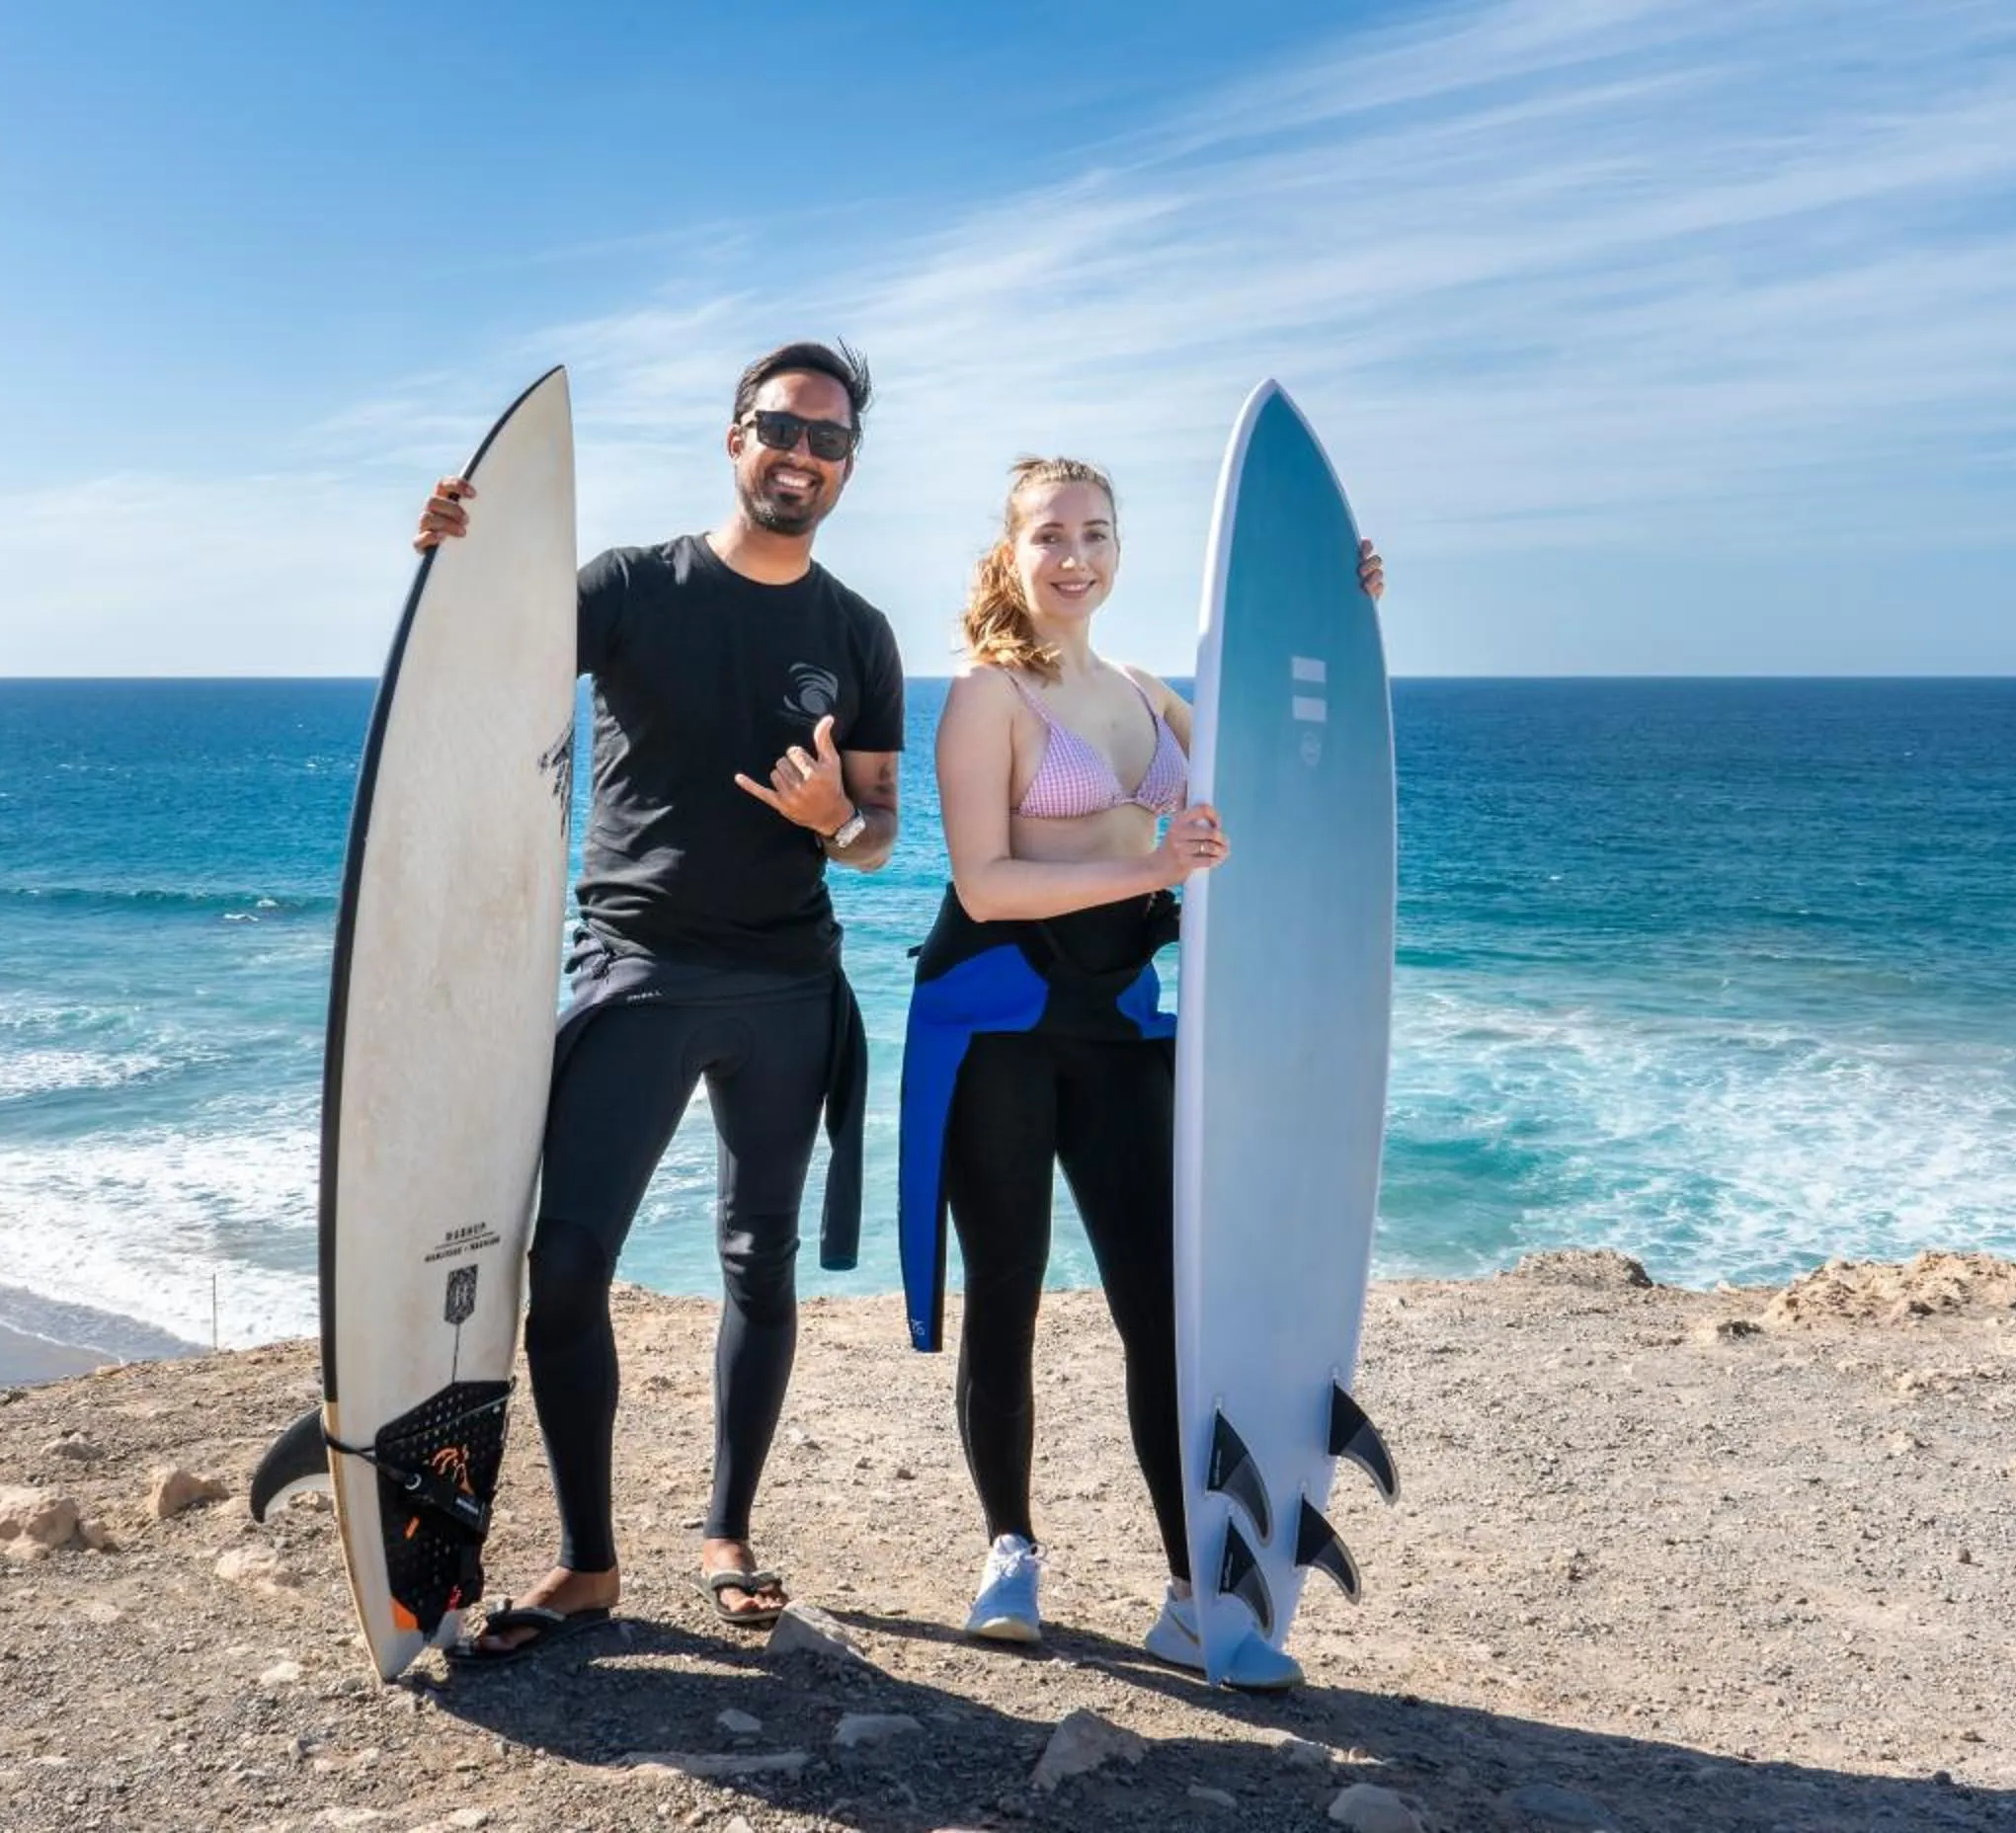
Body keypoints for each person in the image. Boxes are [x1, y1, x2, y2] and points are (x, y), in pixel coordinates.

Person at [414, 342, 905, 1659]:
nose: (801, 455)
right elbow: (485, 665)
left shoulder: (856, 633)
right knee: (565, 1271)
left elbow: (881, 834)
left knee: (760, 1261)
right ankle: (587, 1563)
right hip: (631, 971)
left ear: (849, 468)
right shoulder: (631, 587)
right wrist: (450, 555)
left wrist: (832, 820)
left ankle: (729, 1532)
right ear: (734, 435)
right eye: (780, 428)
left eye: (828, 441)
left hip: (788, 988)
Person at [897, 455, 1382, 1689]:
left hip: (1117, 1029)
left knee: (1163, 1307)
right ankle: (1009, 1550)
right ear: (1009, 551)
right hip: (999, 1022)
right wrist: (1153, 865)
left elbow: (1269, 774)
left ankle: (1196, 1589)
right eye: (1050, 534)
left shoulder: (1151, 694)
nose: (1076, 555)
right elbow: (985, 881)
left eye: (1097, 533)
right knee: (1006, 1285)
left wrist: (1343, 615)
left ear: (1121, 550)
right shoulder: (984, 694)